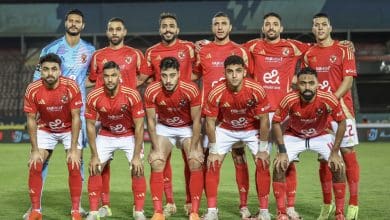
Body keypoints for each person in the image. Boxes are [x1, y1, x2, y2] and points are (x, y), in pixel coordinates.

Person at [26, 9, 95, 218]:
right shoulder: (51, 49)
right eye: (71, 20)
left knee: (77, 159)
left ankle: (78, 205)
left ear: (83, 26)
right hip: (49, 111)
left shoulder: (90, 50)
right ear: (65, 23)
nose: (74, 24)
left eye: (78, 21)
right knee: (40, 160)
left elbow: (94, 77)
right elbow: (37, 79)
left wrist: (82, 87)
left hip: (77, 112)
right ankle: (35, 206)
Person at [193, 12, 253, 219]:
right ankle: (211, 209)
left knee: (239, 158)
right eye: (216, 24)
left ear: (230, 27)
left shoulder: (239, 51)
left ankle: (243, 206)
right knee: (209, 160)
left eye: (223, 24)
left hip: (233, 114)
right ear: (212, 28)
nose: (219, 27)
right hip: (208, 113)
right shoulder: (203, 50)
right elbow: (193, 74)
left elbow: (248, 79)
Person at [86, 17, 145, 217]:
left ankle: (139, 210)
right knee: (98, 166)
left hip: (128, 117)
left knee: (138, 166)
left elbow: (144, 75)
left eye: (118, 29)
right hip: (107, 123)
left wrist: (130, 89)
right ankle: (100, 207)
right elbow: (92, 80)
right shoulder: (98, 56)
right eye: (111, 29)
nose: (114, 32)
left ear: (124, 31)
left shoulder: (135, 54)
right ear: (107, 32)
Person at [139, 12, 197, 216]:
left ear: (178, 29)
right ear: (159, 29)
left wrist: (186, 86)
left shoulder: (189, 48)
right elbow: (144, 78)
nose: (168, 29)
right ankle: (170, 203)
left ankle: (191, 203)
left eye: (171, 25)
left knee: (192, 160)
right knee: (162, 160)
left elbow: (200, 70)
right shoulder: (152, 52)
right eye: (164, 26)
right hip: (164, 113)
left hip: (187, 111)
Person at [304, 13, 360, 220]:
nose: (320, 28)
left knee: (347, 153)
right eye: (316, 25)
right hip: (320, 114)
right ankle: (327, 205)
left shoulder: (344, 49)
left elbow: (348, 82)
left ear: (330, 27)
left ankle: (353, 204)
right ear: (313, 29)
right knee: (324, 159)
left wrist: (331, 101)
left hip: (342, 110)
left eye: (323, 25)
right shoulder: (308, 53)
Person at [271, 67, 347, 220]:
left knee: (338, 166)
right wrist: (282, 150)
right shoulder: (289, 99)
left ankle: (339, 213)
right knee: (278, 166)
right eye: (303, 83)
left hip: (321, 135)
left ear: (317, 84)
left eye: (311, 83)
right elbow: (276, 122)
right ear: (297, 85)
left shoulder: (328, 98)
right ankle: (282, 212)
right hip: (295, 135)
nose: (307, 87)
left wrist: (334, 152)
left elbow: (342, 123)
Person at [202, 55, 270, 220]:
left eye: (238, 71)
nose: (234, 75)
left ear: (244, 72)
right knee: (212, 163)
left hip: (251, 128)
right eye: (230, 71)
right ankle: (212, 211)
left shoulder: (256, 89)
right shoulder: (216, 92)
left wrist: (262, 149)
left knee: (262, 162)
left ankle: (264, 212)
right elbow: (210, 122)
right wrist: (212, 149)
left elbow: (264, 120)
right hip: (226, 129)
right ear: (224, 73)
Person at [24, 53, 83, 220]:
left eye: (54, 69)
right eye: (46, 69)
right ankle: (36, 211)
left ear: (60, 71)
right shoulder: (33, 89)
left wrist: (73, 149)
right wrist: (35, 150)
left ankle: (76, 211)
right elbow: (31, 119)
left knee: (74, 163)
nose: (50, 73)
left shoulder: (70, 86)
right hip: (46, 128)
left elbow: (76, 117)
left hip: (69, 129)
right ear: (40, 71)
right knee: (35, 163)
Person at [145, 57, 204, 220]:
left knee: (195, 161)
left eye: (172, 75)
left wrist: (194, 148)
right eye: (164, 75)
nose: (168, 80)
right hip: (165, 128)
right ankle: (158, 212)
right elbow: (150, 121)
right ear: (160, 75)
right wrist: (156, 148)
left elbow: (197, 120)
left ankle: (194, 211)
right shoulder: (152, 90)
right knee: (156, 161)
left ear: (179, 74)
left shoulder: (190, 89)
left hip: (187, 128)